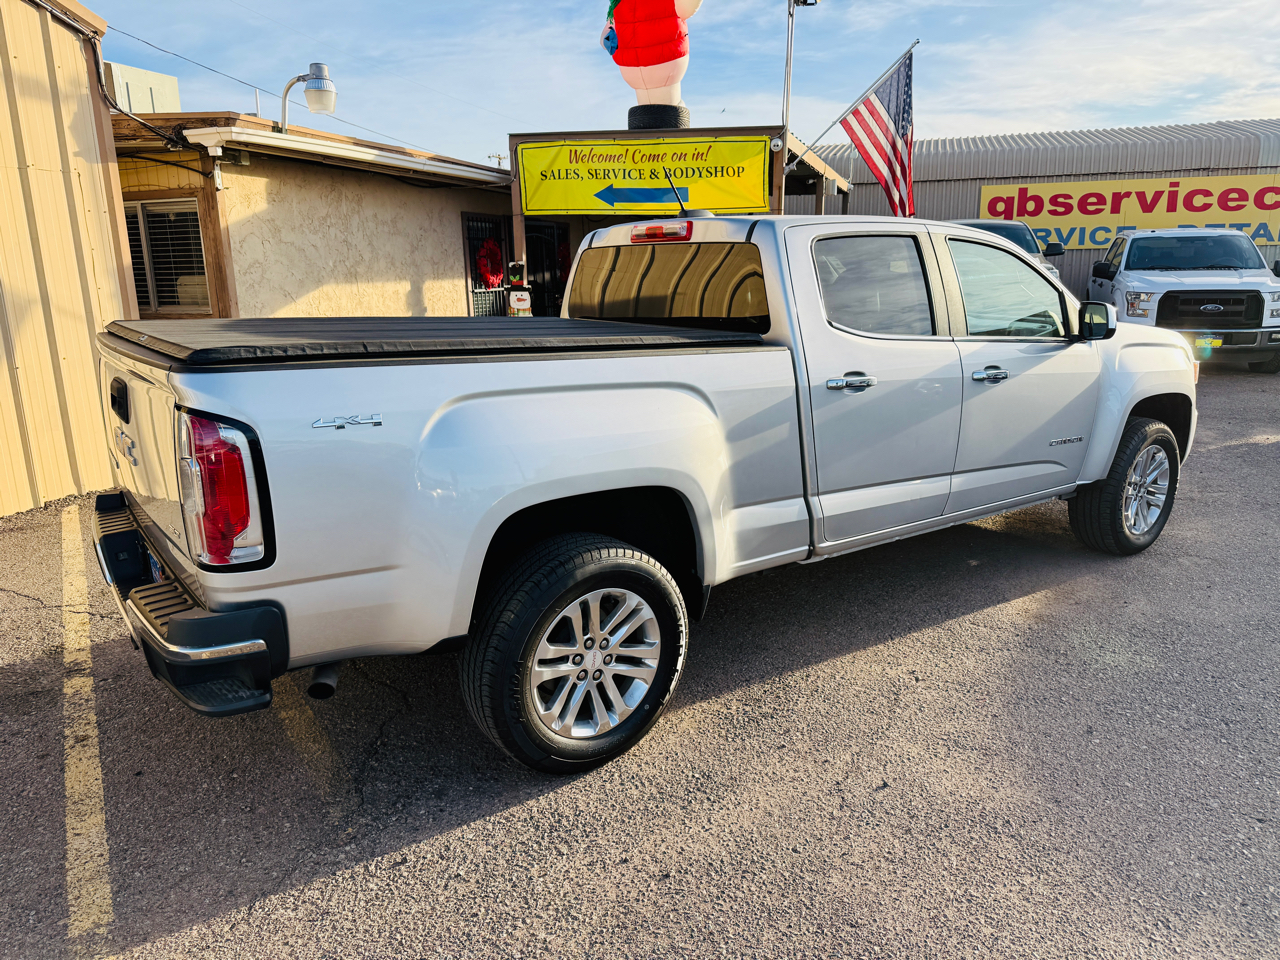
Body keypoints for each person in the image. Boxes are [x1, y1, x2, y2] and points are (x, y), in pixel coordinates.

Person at [602, 0, 703, 107]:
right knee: (670, 108)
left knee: (661, 109)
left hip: (634, 67)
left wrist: (609, 41)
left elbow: (607, 34)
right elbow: (687, 7)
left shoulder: (619, 2)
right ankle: (675, 114)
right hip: (665, 62)